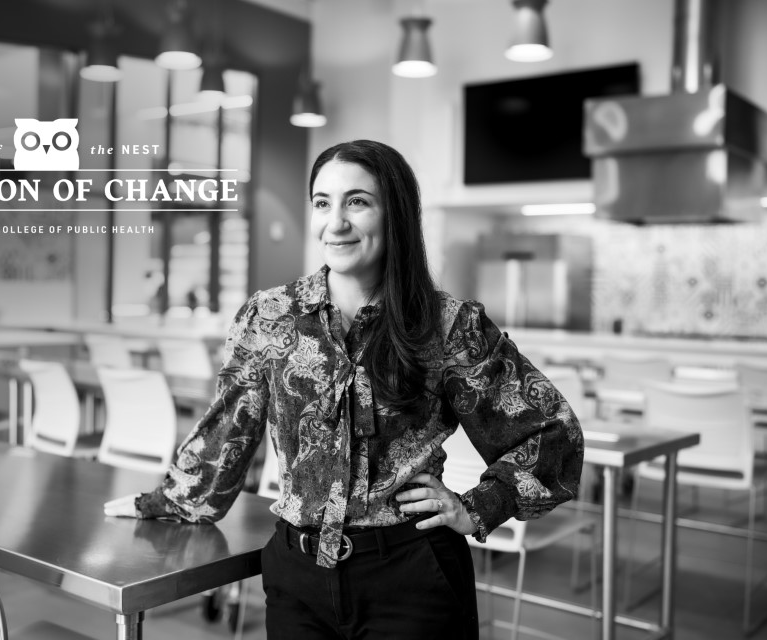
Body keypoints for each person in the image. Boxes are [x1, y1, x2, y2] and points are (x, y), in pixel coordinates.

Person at [105, 139, 584, 639]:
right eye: (322, 203)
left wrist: (476, 506)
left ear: (394, 214)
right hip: (297, 579)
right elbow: (226, 434)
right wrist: (159, 501)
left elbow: (553, 434)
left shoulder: (447, 325)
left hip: (411, 576)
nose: (336, 222)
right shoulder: (269, 316)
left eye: (357, 201)